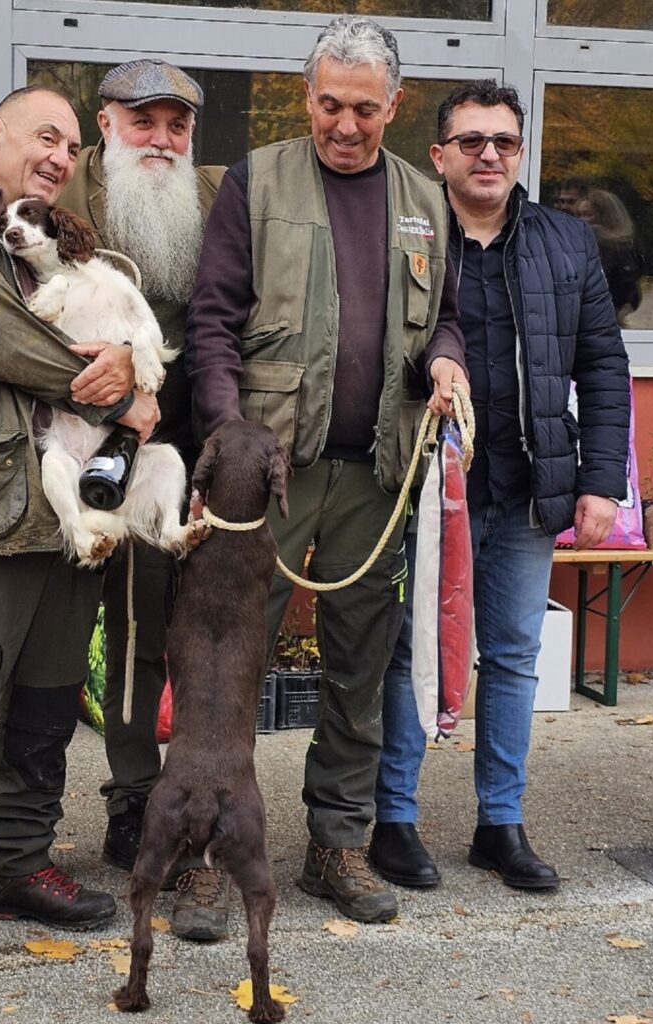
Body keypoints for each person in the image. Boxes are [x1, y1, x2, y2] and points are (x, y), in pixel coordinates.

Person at [0, 61, 229, 941]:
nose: (60, 157)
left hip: (67, 518)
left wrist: (123, 376)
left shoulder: (64, 241)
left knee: (45, 709)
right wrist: (115, 390)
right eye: (45, 137)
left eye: (70, 147)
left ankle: (17, 865)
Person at [185, 15, 468, 925]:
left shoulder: (425, 198)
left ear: (396, 105)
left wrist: (448, 361)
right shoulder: (255, 180)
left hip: (378, 474)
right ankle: (206, 852)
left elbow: (445, 319)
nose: (346, 125)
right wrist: (229, 436)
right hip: (266, 475)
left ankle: (336, 845)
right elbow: (212, 321)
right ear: (306, 97)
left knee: (358, 671)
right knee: (228, 668)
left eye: (365, 109)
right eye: (330, 104)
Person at [370, 79, 630, 894]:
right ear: (439, 154)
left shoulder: (565, 241)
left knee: (514, 657)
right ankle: (393, 819)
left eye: (505, 141)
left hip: (526, 489)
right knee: (409, 651)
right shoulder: (406, 236)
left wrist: (600, 483)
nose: (489, 154)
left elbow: (603, 364)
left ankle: (500, 824)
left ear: (521, 152)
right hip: (423, 488)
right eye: (472, 141)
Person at [574, 188, 643, 324]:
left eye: (588, 215)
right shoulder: (581, 243)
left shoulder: (623, 249)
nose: (582, 221)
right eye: (579, 215)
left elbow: (628, 288)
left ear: (606, 217)